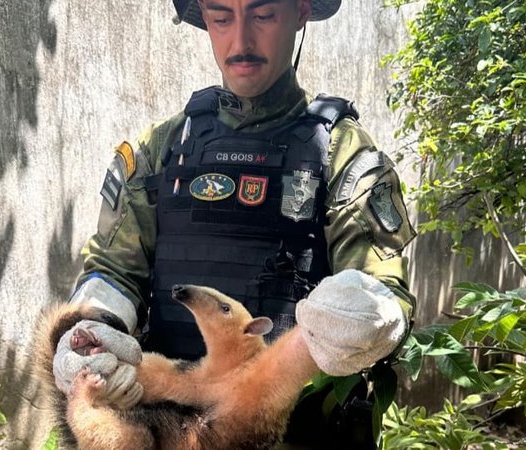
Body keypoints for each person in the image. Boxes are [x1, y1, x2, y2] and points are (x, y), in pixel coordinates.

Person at [53, 0, 417, 448]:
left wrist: (369, 316)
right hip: (161, 430)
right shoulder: (162, 148)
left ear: (301, 11)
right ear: (205, 19)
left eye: (263, 15)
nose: (240, 41)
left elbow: (383, 293)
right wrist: (89, 333)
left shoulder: (342, 152)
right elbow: (114, 270)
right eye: (222, 17)